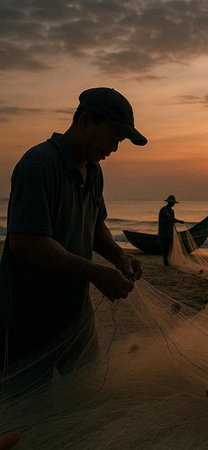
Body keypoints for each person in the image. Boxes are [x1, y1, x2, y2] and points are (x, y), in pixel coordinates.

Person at [0, 87, 147, 381]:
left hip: (75, 313)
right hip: (27, 319)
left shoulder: (93, 171)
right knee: (28, 408)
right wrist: (95, 272)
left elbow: (94, 226)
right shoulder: (39, 164)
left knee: (83, 394)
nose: (115, 149)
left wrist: (118, 255)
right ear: (85, 122)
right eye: (113, 138)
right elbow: (25, 241)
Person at [158, 195, 184, 266]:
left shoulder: (172, 211)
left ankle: (168, 262)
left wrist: (179, 221)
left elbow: (173, 220)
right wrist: (172, 220)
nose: (173, 204)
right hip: (163, 233)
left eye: (173, 203)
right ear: (168, 202)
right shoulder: (163, 210)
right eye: (172, 202)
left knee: (170, 249)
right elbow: (162, 221)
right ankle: (166, 263)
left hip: (170, 233)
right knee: (165, 249)